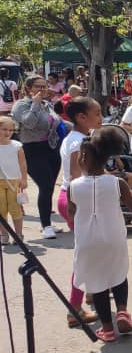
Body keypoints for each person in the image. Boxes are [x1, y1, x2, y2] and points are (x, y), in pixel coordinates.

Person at [68, 126, 132, 342]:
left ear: (83, 158)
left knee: (97, 284)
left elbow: (71, 212)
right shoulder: (116, 182)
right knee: (118, 274)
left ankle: (108, 329)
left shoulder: (73, 186)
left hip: (87, 240)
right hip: (113, 237)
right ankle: (122, 310)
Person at [55, 97, 103, 326]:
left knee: (90, 251)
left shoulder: (75, 137)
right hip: (76, 200)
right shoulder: (80, 142)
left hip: (71, 198)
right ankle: (74, 308)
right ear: (82, 117)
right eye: (97, 113)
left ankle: (92, 291)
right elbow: (76, 176)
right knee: (84, 257)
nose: (101, 117)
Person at [10, 75, 63, 239]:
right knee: (45, 186)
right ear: (28, 89)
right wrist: (35, 103)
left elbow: (56, 122)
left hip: (51, 148)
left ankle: (47, 221)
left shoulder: (47, 104)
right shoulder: (20, 105)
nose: (42, 90)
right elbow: (29, 123)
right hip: (32, 150)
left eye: (44, 86)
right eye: (38, 87)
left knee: (49, 187)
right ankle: (46, 225)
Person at [0, 116, 27, 247]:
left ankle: (18, 235)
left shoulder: (16, 146)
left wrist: (24, 179)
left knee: (15, 208)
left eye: (11, 130)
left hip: (14, 181)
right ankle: (4, 235)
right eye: (4, 129)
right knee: (1, 209)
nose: (8, 132)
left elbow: (22, 163)